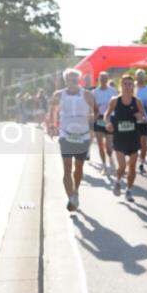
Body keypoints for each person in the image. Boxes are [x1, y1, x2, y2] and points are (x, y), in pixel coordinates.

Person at [47, 68, 96, 212]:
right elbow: (53, 110)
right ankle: (71, 198)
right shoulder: (58, 94)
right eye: (70, 79)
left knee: (79, 167)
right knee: (67, 167)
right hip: (65, 134)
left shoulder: (87, 94)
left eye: (75, 79)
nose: (72, 82)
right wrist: (52, 126)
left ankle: (76, 191)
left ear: (79, 80)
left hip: (83, 135)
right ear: (66, 81)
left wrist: (92, 119)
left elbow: (95, 111)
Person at [104, 74, 147, 201]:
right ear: (121, 86)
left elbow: (145, 117)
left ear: (133, 86)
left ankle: (129, 190)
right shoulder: (115, 100)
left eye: (130, 84)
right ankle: (117, 181)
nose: (127, 86)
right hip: (119, 137)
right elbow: (106, 114)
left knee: (132, 167)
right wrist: (108, 123)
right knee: (122, 166)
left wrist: (142, 118)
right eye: (125, 84)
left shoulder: (137, 101)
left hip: (133, 137)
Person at [91, 73, 116, 178]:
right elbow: (91, 106)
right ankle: (104, 165)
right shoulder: (94, 92)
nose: (103, 80)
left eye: (105, 78)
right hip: (99, 118)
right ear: (98, 80)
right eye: (101, 78)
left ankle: (110, 158)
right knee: (100, 144)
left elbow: (117, 104)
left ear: (108, 79)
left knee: (109, 146)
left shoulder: (113, 91)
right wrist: (95, 107)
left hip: (110, 118)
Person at [134, 69, 147, 174]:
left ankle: (142, 163)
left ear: (145, 77)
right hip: (133, 119)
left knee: (144, 142)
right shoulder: (132, 87)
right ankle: (133, 160)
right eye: (139, 75)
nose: (141, 77)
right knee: (133, 142)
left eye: (142, 75)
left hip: (145, 119)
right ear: (136, 77)